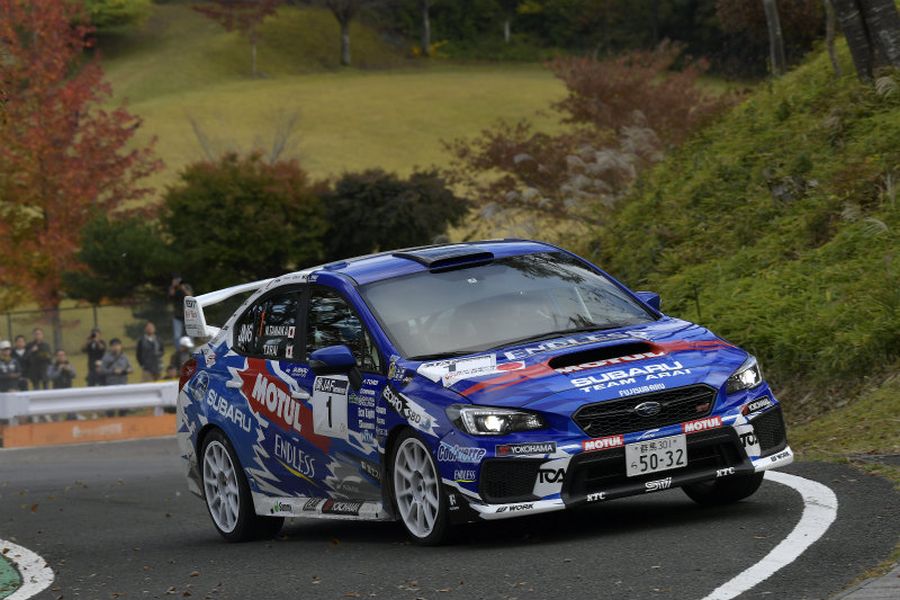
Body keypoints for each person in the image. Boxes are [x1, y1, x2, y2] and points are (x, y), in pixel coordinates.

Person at [168, 277, 193, 342]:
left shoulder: (186, 286)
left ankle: (191, 350)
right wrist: (173, 286)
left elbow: (190, 297)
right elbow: (170, 296)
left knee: (190, 334)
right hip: (177, 315)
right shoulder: (173, 288)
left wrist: (183, 288)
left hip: (188, 315)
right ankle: (179, 351)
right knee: (177, 336)